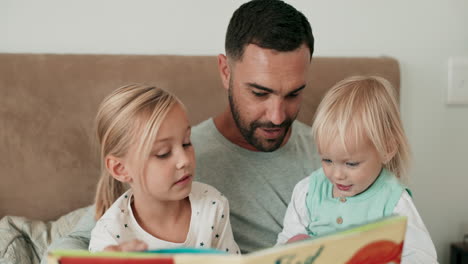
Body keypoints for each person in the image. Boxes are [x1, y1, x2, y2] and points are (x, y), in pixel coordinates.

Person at [41, 0, 318, 260]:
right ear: (225, 71)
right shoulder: (171, 156)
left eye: (294, 94)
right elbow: (74, 241)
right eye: (259, 93)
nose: (277, 116)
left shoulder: (333, 152)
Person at [276, 76, 438, 263]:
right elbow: (284, 243)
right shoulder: (308, 191)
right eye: (327, 160)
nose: (337, 175)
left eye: (351, 164)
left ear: (386, 150)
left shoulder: (394, 201)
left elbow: (422, 258)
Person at [88, 84, 239, 253]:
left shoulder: (212, 205)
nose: (184, 160)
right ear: (120, 169)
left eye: (186, 142)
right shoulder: (110, 236)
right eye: (163, 153)